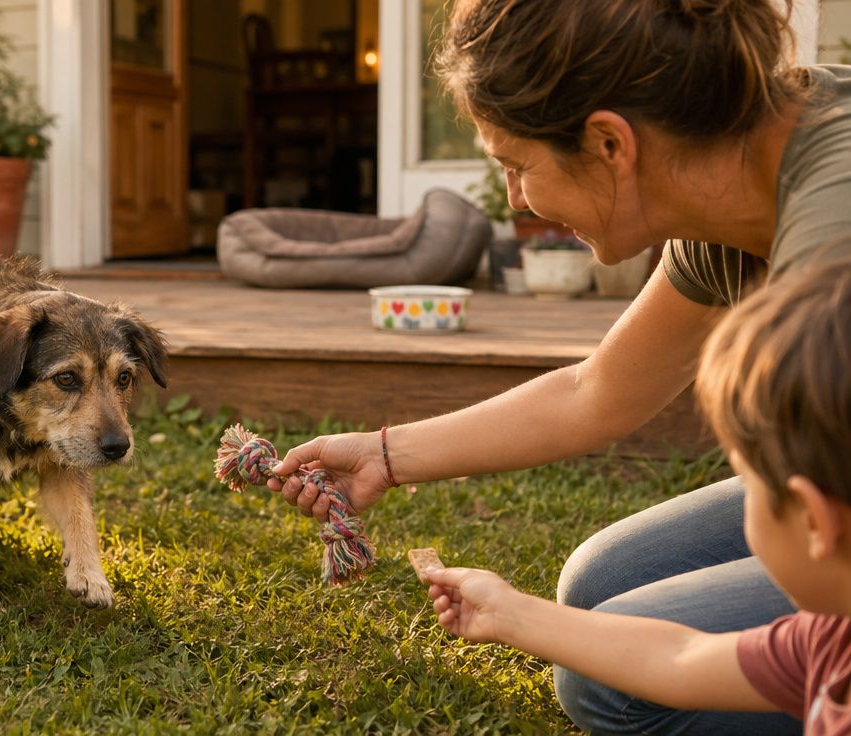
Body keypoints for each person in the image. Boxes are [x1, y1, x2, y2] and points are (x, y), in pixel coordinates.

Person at [267, 0, 851, 732]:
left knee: (606, 683)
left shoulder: (834, 250)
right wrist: (386, 456)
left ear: (610, 142)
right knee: (600, 584)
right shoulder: (722, 178)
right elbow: (595, 391)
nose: (515, 199)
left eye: (516, 166)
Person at [423, 258, 851, 735]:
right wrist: (508, 613)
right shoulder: (825, 639)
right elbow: (680, 658)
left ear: (813, 520)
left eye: (747, 481)